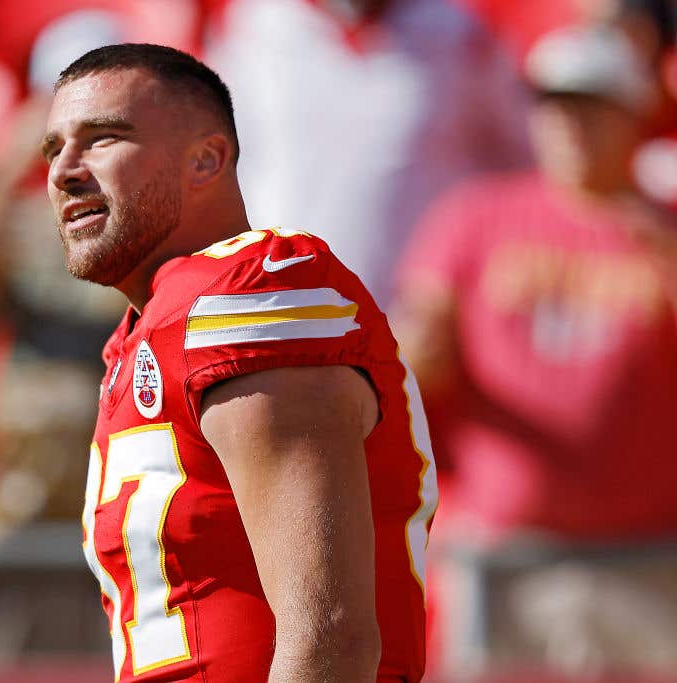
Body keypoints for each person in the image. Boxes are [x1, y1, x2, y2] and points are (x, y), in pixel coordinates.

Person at [40, 44, 438, 682]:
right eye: (52, 149)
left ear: (206, 158)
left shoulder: (250, 289)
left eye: (103, 138)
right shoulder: (149, 327)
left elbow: (327, 631)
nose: (64, 171)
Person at [393, 25, 677, 676]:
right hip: (501, 551)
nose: (571, 123)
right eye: (555, 104)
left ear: (636, 114)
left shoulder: (666, 226)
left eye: (592, 105)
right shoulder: (474, 216)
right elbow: (413, 349)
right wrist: (416, 346)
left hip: (649, 554)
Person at [206, 0, 531, 307]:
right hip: (272, 316)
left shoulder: (462, 35)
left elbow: (524, 172)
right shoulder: (253, 24)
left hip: (407, 337)